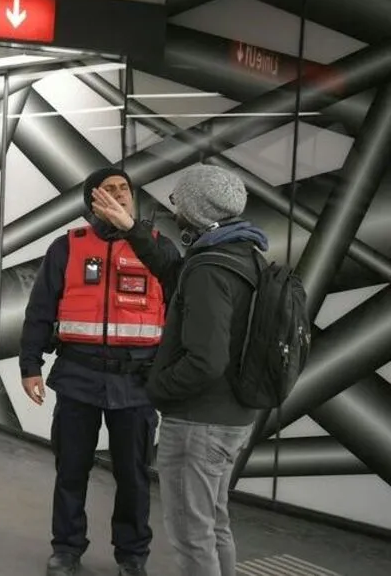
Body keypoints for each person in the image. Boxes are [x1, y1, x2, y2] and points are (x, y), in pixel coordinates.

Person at [92, 164, 268, 576]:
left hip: (198, 424)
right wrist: (133, 228)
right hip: (231, 418)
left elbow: (206, 361)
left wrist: (157, 389)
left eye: (178, 202)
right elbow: (175, 273)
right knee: (214, 524)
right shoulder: (241, 255)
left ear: (197, 209)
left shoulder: (210, 268)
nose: (175, 211)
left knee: (192, 536)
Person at [20, 167, 181, 576]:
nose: (118, 194)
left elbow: (179, 290)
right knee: (71, 470)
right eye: (107, 189)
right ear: (91, 200)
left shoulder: (158, 249)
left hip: (137, 383)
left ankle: (132, 555)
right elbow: (40, 310)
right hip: (78, 377)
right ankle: (67, 548)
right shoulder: (67, 247)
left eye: (124, 188)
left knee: (133, 475)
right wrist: (30, 364)